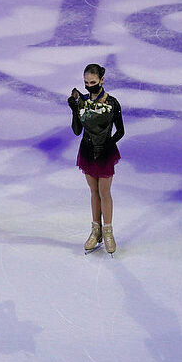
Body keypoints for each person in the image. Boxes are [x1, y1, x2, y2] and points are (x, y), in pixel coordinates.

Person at [68, 63, 124, 254]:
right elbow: (77, 131)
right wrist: (73, 109)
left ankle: (108, 231)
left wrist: (108, 144)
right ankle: (96, 231)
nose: (89, 85)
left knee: (104, 191)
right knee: (94, 191)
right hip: (87, 151)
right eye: (86, 82)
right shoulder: (83, 102)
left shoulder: (112, 103)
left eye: (92, 82)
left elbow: (121, 131)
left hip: (105, 152)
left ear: (101, 80)